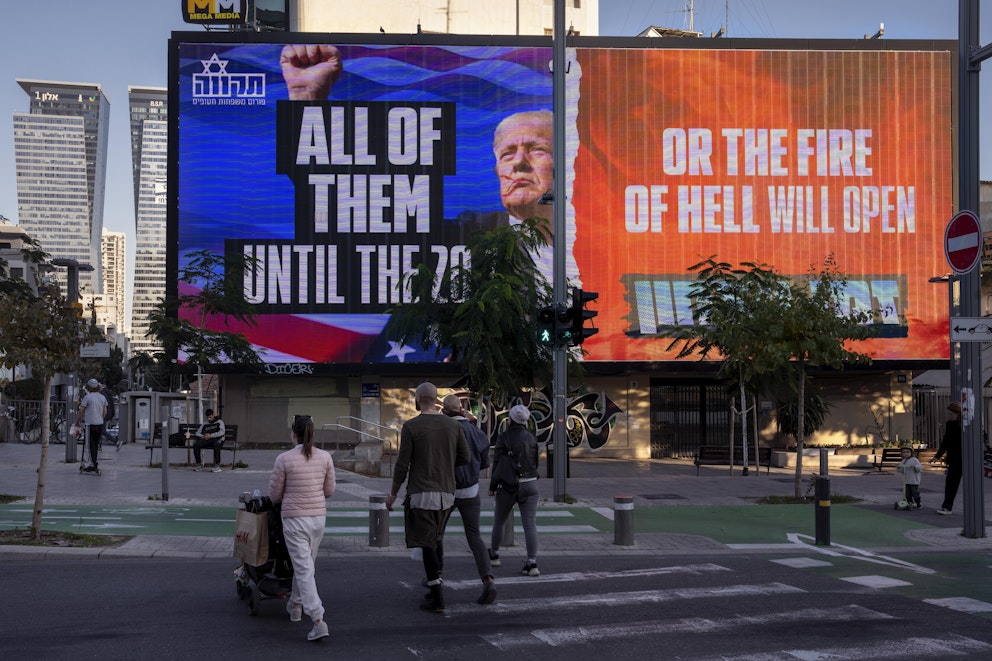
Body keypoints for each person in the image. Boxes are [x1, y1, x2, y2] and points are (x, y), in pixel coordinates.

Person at [385, 382, 470, 613]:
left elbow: (402, 465)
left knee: (427, 545)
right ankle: (436, 584)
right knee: (435, 539)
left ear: (419, 398)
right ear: (435, 399)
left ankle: (437, 596)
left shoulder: (412, 426)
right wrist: (444, 463)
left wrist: (392, 494)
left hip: (421, 494)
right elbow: (465, 457)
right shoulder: (452, 426)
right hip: (446, 494)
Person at [269, 414, 336, 642]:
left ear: (293, 434)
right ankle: (295, 606)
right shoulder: (325, 457)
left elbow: (274, 495)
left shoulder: (284, 459)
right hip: (318, 517)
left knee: (304, 567)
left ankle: (318, 620)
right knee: (306, 565)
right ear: (312, 433)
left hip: (294, 518)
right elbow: (329, 491)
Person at [435, 394, 497, 605]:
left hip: (446, 491)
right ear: (461, 409)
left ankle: (436, 577)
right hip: (471, 491)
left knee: (437, 535)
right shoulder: (475, 431)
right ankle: (488, 579)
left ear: (444, 410)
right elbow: (483, 461)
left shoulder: (442, 430)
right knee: (474, 536)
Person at [489, 404, 541, 577]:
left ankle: (494, 554)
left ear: (511, 419)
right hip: (531, 484)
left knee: (500, 521)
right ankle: (532, 563)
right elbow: (535, 462)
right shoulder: (532, 438)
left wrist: (492, 486)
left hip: (509, 485)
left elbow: (497, 463)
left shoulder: (504, 437)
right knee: (530, 524)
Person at [932, 401, 963, 515]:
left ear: (958, 414)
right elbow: (946, 440)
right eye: (949, 414)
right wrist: (938, 456)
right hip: (954, 458)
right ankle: (947, 506)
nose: (949, 416)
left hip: (966, 457)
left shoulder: (966, 425)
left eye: (952, 414)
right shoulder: (949, 424)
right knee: (950, 483)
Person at [77, 378, 108, 473]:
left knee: (89, 445)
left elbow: (81, 411)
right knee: (95, 444)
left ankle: (92, 464)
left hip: (90, 424)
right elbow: (105, 412)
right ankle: (94, 462)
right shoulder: (102, 397)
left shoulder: (88, 397)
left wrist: (77, 421)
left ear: (89, 387)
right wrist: (99, 417)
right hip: (100, 424)